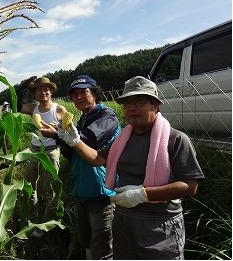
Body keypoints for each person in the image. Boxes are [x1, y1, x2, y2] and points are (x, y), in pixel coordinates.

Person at [103, 76, 204, 259]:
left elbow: (190, 186)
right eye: (126, 103)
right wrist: (72, 139)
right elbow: (98, 158)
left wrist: (142, 194)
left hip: (159, 226)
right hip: (123, 221)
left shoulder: (176, 139)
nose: (131, 108)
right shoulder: (121, 140)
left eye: (139, 102)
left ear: (156, 105)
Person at [40, 75, 121, 259]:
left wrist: (62, 134)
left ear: (94, 93)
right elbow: (74, 154)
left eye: (83, 92)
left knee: (102, 246)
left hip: (101, 193)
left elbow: (91, 141)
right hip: (82, 192)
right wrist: (57, 137)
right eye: (74, 94)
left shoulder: (106, 115)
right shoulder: (81, 121)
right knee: (87, 241)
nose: (78, 97)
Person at [16, 76, 67, 223]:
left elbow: (67, 132)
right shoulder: (33, 108)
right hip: (33, 151)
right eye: (39, 90)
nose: (43, 92)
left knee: (49, 189)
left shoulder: (59, 109)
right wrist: (22, 89)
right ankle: (32, 219)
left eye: (46, 89)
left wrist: (56, 131)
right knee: (29, 188)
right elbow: (17, 107)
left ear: (51, 92)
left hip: (51, 152)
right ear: (35, 94)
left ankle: (47, 223)